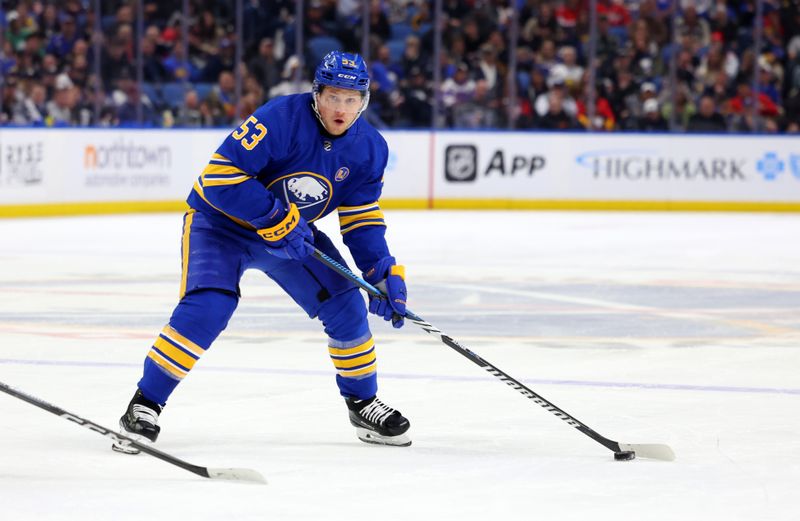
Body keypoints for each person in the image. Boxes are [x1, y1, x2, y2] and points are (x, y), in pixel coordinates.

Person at [113, 51, 412, 452]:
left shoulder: (370, 149)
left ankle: (362, 401)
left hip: (289, 235)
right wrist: (273, 216)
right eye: (333, 97)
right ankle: (144, 404)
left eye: (351, 99)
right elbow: (218, 178)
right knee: (209, 307)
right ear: (316, 94)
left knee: (347, 305)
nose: (340, 108)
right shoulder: (280, 118)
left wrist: (379, 270)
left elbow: (360, 220)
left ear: (365, 101)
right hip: (221, 225)